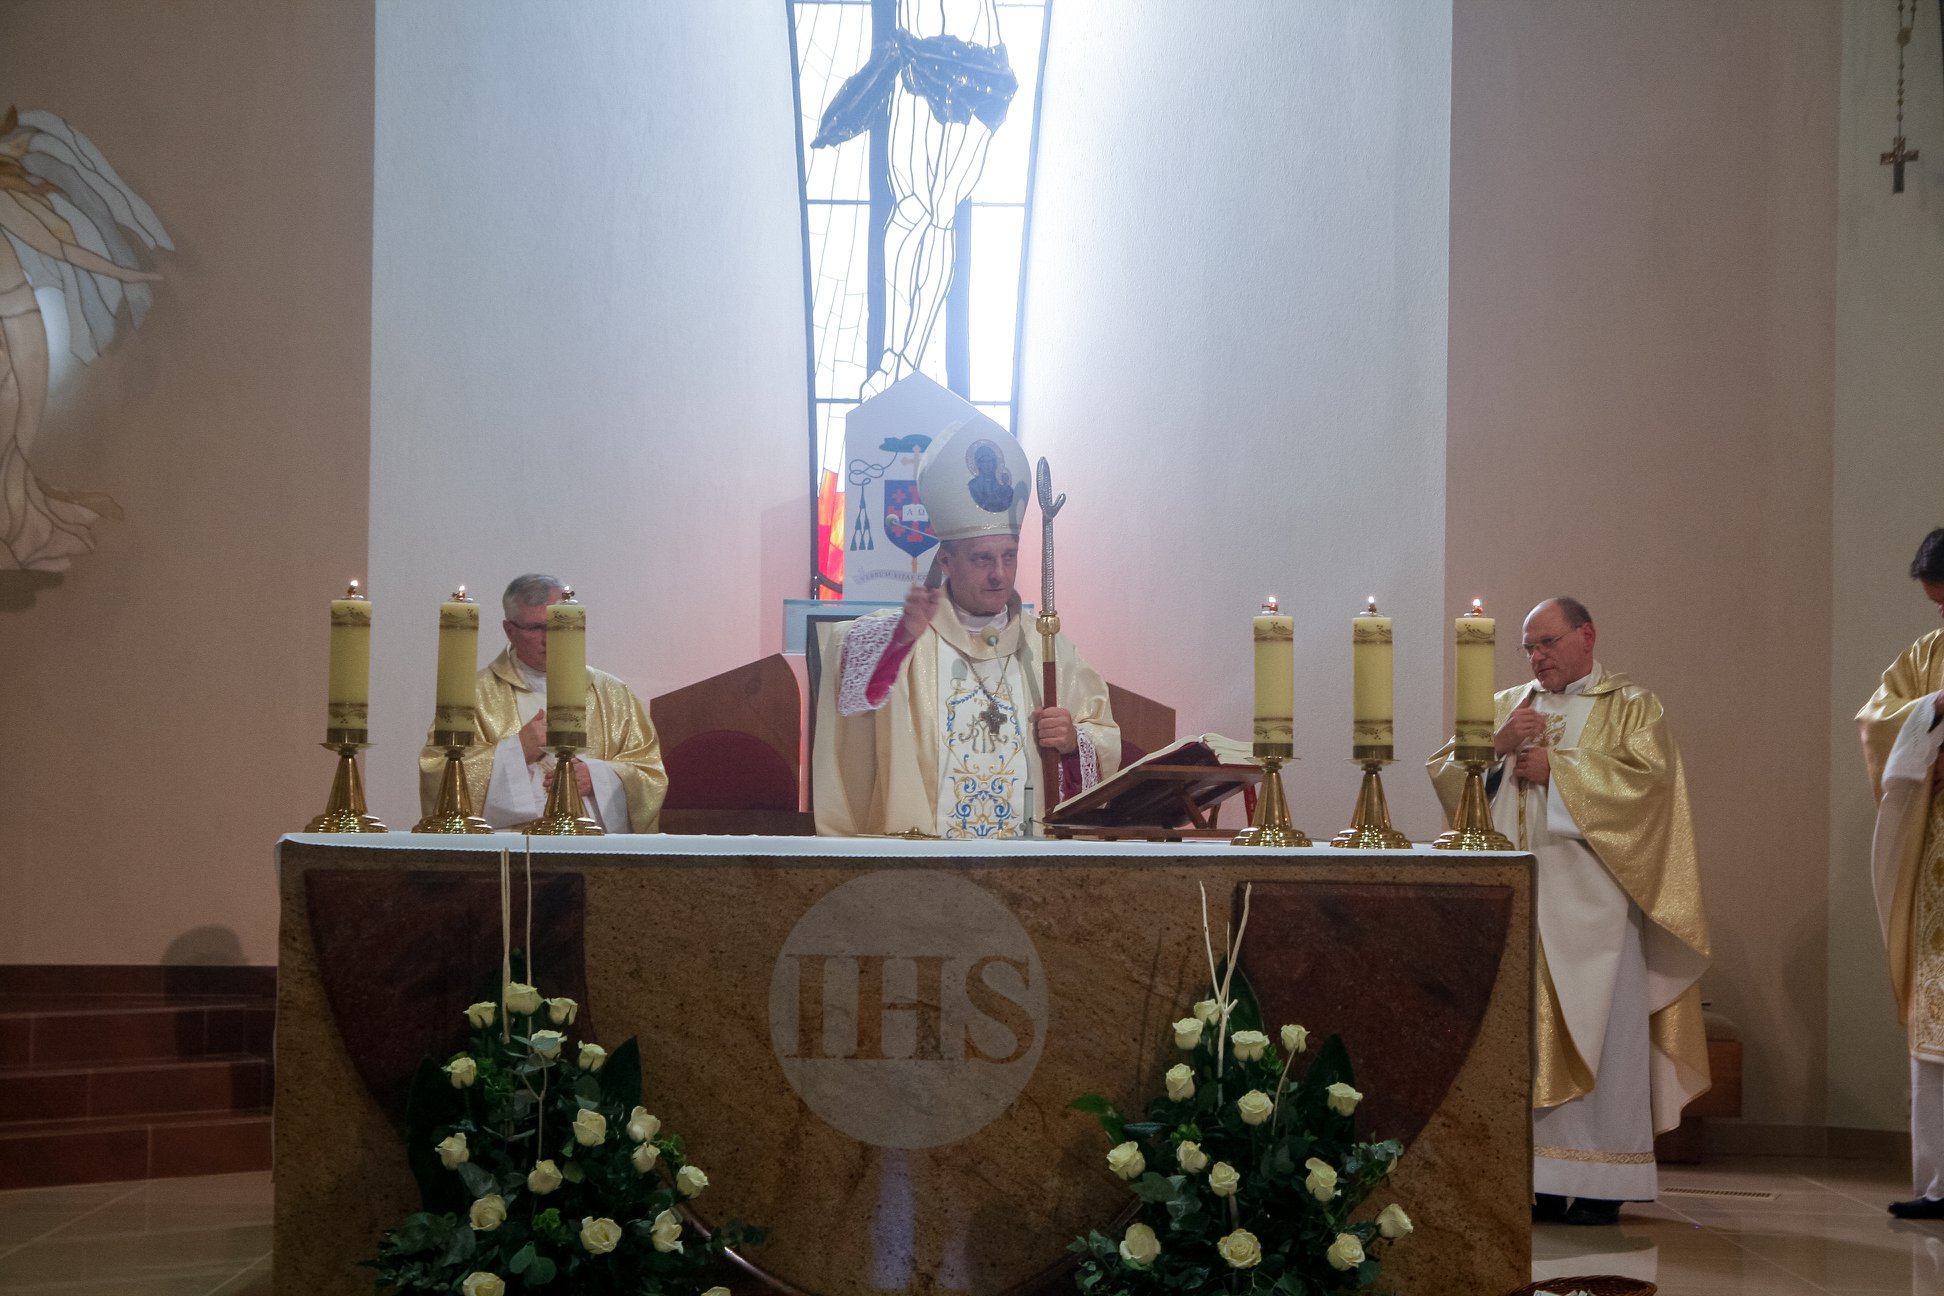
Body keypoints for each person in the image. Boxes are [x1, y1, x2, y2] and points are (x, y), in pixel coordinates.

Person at [1428, 597, 1710, 1226]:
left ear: (1587, 636)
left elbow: (1652, 791)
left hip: (1598, 912)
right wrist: (1498, 745)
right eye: (1529, 647)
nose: (1537, 657)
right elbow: (1448, 777)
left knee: (1605, 1039)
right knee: (1524, 1038)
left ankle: (1605, 1183)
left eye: (1548, 642)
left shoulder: (1633, 706)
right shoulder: (1507, 706)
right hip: (1521, 903)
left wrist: (1561, 773)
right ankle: (1543, 1180)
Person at [812, 420, 1118, 837]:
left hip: (1027, 860)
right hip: (928, 860)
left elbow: (1103, 739)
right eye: (982, 559)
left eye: (1009, 556)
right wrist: (900, 637)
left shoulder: (1047, 647)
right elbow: (852, 687)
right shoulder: (910, 638)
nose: (999, 574)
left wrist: (1071, 741)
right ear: (946, 562)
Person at [417, 573, 666, 832]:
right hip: (508, 849)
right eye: (536, 628)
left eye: (558, 625)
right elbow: (437, 771)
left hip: (591, 848)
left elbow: (649, 772)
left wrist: (599, 779)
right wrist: (518, 750)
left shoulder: (613, 694)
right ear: (510, 631)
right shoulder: (471, 695)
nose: (549, 639)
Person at [1858, 527, 1944, 1220]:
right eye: (1936, 604)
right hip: (1935, 870)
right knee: (1934, 1025)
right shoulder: (1926, 656)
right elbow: (1878, 724)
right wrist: (1931, 713)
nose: (1941, 614)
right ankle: (1938, 1184)